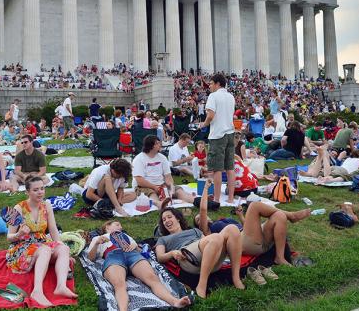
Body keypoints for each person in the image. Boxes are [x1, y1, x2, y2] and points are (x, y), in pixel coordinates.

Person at [194, 178, 311, 266]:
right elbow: (203, 209)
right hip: (241, 244)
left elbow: (247, 228)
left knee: (279, 216)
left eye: (201, 217)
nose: (202, 218)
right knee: (254, 206)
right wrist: (205, 188)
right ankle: (291, 216)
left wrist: (240, 216)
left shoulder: (221, 222)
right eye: (198, 220)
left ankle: (279, 257)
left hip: (252, 238)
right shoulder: (207, 231)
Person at [87, 220, 191, 311]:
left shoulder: (126, 236)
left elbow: (141, 251)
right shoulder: (99, 238)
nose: (121, 227)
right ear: (107, 227)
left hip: (132, 254)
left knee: (152, 278)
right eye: (117, 224)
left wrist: (135, 245)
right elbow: (90, 258)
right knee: (119, 284)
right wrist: (97, 243)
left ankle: (174, 301)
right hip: (113, 255)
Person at [6, 176, 77, 307]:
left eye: (42, 189)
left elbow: (54, 230)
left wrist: (64, 251)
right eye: (35, 190)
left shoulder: (47, 205)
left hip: (42, 242)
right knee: (45, 250)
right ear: (27, 192)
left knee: (64, 248)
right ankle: (37, 291)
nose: (40, 192)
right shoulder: (17, 208)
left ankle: (61, 286)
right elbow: (9, 237)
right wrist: (19, 233)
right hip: (22, 246)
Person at [155, 207, 245, 298]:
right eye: (164, 220)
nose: (166, 221)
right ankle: (202, 285)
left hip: (210, 260)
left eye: (169, 217)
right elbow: (160, 257)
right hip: (188, 258)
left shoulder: (195, 231)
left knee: (232, 228)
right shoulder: (163, 239)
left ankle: (236, 278)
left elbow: (210, 243)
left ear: (177, 218)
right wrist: (172, 253)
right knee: (216, 237)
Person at [199, 74, 236, 203]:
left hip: (218, 135)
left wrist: (203, 124)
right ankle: (231, 198)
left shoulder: (213, 96)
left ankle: (217, 199)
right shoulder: (231, 97)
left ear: (217, 83)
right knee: (230, 168)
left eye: (211, 83)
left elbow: (210, 116)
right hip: (230, 133)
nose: (209, 86)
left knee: (217, 169)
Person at [132, 135, 195, 209]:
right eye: (157, 143)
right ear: (150, 146)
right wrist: (155, 187)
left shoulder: (162, 158)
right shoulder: (139, 159)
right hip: (144, 186)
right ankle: (161, 205)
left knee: (179, 191)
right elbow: (140, 181)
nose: (160, 145)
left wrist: (171, 186)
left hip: (161, 185)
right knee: (152, 195)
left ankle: (196, 201)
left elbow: (168, 176)